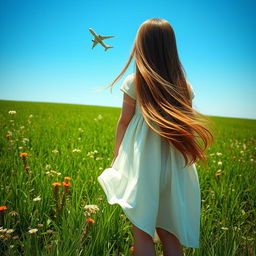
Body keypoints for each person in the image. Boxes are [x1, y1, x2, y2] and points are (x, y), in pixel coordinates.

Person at [97, 18, 214, 256]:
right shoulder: (184, 86)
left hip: (143, 164)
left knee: (142, 228)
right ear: (170, 48)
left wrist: (117, 155)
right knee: (169, 231)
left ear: (142, 46)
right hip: (174, 164)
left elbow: (124, 122)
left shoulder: (135, 81)